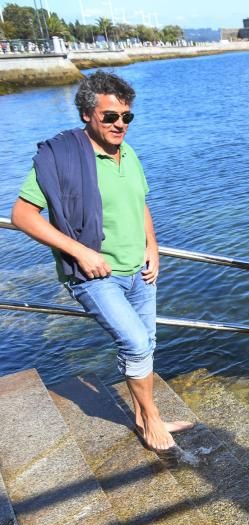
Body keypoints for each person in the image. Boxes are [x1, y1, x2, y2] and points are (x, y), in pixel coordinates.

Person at [10, 70, 190, 454]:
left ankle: (145, 415)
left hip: (139, 270)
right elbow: (22, 216)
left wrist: (152, 246)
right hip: (94, 274)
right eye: (110, 116)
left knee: (146, 344)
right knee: (137, 343)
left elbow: (139, 202)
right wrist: (81, 251)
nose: (120, 124)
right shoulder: (61, 158)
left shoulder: (129, 153)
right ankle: (152, 421)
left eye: (127, 117)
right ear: (87, 115)